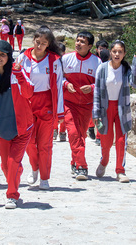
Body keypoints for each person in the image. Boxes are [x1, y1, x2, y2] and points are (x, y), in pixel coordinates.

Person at [0, 41, 35, 209]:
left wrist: (19, 74)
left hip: (22, 127)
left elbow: (28, 93)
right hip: (2, 126)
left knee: (13, 162)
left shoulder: (17, 71)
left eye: (2, 55)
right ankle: (15, 175)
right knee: (6, 165)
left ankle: (12, 195)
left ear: (8, 57)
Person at [92, 40, 136, 183]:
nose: (117, 54)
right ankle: (104, 160)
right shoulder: (102, 68)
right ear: (110, 52)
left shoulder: (126, 69)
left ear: (124, 54)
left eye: (120, 52)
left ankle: (120, 171)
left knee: (121, 140)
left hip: (122, 108)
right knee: (106, 140)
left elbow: (134, 83)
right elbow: (97, 91)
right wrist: (96, 113)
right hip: (105, 108)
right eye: (114, 51)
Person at [19, 26, 64, 190]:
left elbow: (58, 85)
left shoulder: (54, 60)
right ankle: (35, 167)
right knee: (29, 142)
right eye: (37, 42)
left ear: (48, 44)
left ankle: (45, 177)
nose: (39, 46)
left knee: (45, 144)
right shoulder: (23, 57)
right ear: (33, 40)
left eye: (43, 44)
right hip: (27, 102)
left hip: (46, 103)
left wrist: (60, 111)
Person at [61, 31, 101, 180]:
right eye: (77, 40)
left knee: (80, 135)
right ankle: (82, 166)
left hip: (86, 105)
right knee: (72, 133)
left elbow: (102, 84)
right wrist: (66, 83)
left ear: (90, 46)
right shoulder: (66, 59)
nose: (78, 43)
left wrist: (91, 87)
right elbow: (58, 77)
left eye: (82, 42)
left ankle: (74, 161)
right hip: (69, 103)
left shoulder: (97, 63)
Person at [90, 40, 110, 146]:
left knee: (102, 115)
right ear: (96, 49)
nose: (102, 51)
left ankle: (99, 135)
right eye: (100, 48)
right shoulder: (94, 60)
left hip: (106, 93)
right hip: (94, 91)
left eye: (104, 49)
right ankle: (94, 131)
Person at [55, 42, 67, 142]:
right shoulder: (52, 60)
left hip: (65, 90)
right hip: (55, 89)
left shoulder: (65, 62)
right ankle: (54, 128)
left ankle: (62, 131)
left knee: (63, 111)